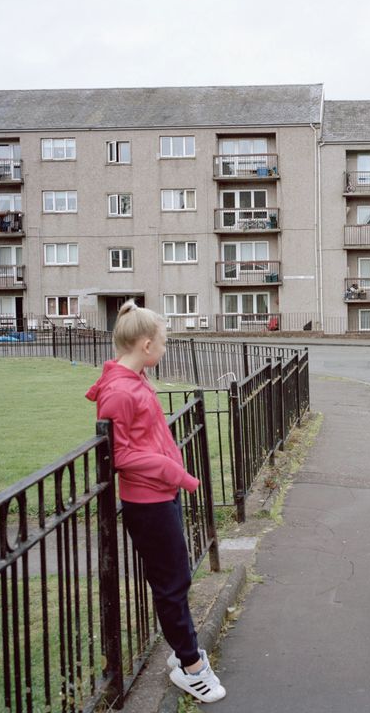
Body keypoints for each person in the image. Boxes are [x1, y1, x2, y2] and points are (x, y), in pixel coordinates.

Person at [86, 300, 226, 703]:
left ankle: (185, 656)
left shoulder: (135, 380)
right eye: (163, 343)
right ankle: (191, 667)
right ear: (146, 345)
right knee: (171, 583)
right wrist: (178, 475)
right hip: (147, 501)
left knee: (176, 577)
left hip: (158, 496)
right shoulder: (119, 391)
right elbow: (123, 456)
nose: (165, 349)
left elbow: (146, 439)